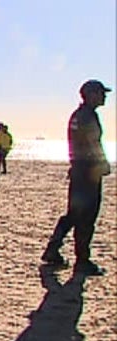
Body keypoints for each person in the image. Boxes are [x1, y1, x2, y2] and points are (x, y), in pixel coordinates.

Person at [41, 80, 112, 276]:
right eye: (100, 93)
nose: (104, 96)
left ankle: (53, 248)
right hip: (88, 171)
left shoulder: (78, 115)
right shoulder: (88, 116)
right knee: (86, 216)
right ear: (90, 94)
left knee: (74, 213)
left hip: (79, 170)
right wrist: (102, 164)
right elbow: (93, 143)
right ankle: (82, 260)